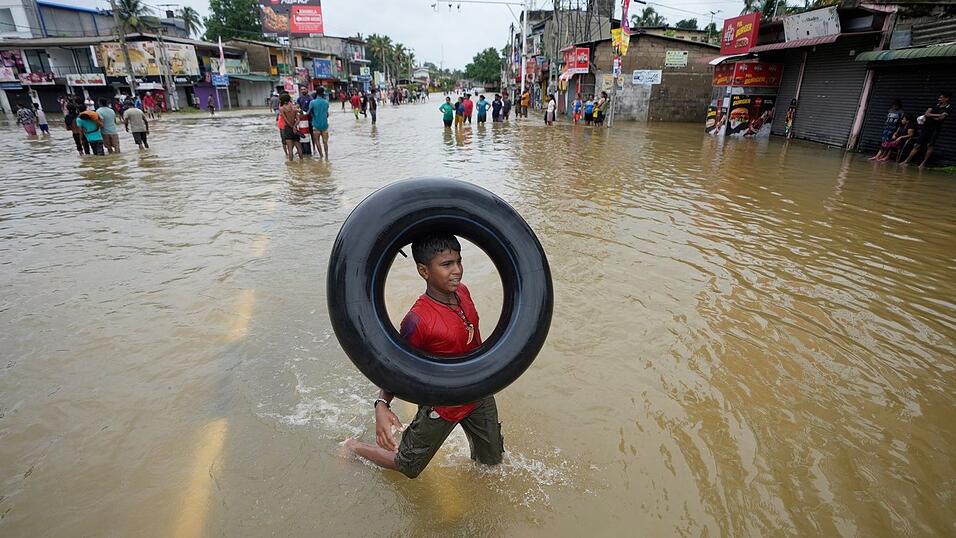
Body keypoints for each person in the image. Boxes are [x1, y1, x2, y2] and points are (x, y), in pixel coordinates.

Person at [342, 234, 505, 479]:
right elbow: (395, 365)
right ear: (423, 270)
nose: (457, 271)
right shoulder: (418, 321)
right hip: (442, 403)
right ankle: (353, 446)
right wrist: (382, 404)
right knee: (408, 465)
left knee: (491, 463)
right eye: (447, 264)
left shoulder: (464, 292)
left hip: (477, 394)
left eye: (459, 261)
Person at [902, 92, 950, 168]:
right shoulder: (935, 105)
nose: (939, 99)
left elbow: (941, 118)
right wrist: (936, 116)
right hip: (926, 127)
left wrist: (932, 115)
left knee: (930, 145)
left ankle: (923, 164)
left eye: (941, 97)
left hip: (935, 129)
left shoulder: (948, 107)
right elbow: (927, 113)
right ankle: (906, 161)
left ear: (946, 98)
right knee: (917, 145)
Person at [277, 93, 302, 161]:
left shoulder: (282, 109)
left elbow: (286, 120)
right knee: (298, 147)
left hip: (288, 129)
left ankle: (291, 165)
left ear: (284, 101)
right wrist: (294, 126)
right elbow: (298, 119)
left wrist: (291, 127)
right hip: (295, 128)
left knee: (290, 149)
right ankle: (302, 161)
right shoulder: (294, 108)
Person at [308, 87, 331, 159]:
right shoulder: (326, 102)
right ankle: (327, 156)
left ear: (316, 93)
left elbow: (309, 112)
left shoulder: (312, 102)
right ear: (323, 93)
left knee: (317, 141)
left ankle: (321, 155)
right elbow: (326, 114)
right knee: (325, 142)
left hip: (316, 125)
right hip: (324, 125)